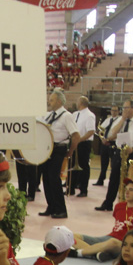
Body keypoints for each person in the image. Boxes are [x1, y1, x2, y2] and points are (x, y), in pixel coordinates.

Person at [73, 178, 133, 262]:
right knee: (72, 237)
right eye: (126, 189)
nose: (127, 192)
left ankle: (78, 252)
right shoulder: (119, 206)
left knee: (112, 243)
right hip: (110, 238)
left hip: (126, 244)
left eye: (131, 190)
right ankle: (95, 253)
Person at [98, 98, 133, 212]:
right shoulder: (121, 120)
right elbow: (113, 133)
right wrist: (123, 119)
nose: (123, 110)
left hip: (132, 152)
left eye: (126, 108)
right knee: (114, 177)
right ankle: (108, 203)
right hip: (119, 152)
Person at [39, 88, 81, 219]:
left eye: (51, 100)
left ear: (58, 101)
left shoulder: (67, 116)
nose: (49, 102)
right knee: (46, 178)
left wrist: (70, 151)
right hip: (47, 149)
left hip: (59, 148)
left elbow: (76, 135)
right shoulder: (49, 115)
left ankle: (61, 209)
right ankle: (51, 206)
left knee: (54, 178)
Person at [71, 96, 96, 197]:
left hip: (83, 143)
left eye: (77, 101)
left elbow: (91, 131)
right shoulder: (76, 114)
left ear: (81, 103)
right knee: (72, 165)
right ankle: (71, 187)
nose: (76, 103)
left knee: (84, 166)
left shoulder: (90, 115)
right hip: (75, 142)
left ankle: (83, 189)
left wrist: (80, 139)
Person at [95, 105, 120, 187]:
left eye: (116, 110)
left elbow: (118, 133)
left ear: (118, 111)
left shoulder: (120, 120)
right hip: (104, 143)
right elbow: (100, 130)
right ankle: (101, 180)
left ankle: (112, 181)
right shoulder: (108, 120)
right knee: (103, 162)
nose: (114, 112)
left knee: (113, 164)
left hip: (114, 143)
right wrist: (102, 139)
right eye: (112, 110)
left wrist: (108, 139)